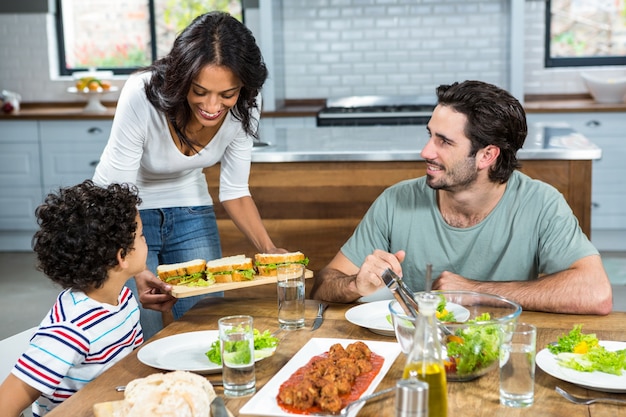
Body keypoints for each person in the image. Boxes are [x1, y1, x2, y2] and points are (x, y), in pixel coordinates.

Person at [310, 80, 613, 315]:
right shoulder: (395, 201)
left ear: (487, 155)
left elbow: (597, 294)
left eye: (444, 142)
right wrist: (355, 285)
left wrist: (475, 292)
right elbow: (323, 285)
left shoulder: (541, 203)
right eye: (430, 135)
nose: (426, 151)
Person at [92, 11, 285, 339]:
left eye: (227, 94)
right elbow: (121, 193)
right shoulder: (142, 93)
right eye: (200, 91)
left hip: (189, 205)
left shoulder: (247, 102)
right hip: (122, 213)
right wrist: (136, 268)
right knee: (143, 327)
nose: (212, 105)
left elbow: (235, 190)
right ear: (182, 80)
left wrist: (268, 249)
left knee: (206, 322)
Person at [0, 180, 145, 416]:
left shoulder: (124, 298)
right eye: (142, 236)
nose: (144, 241)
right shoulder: (70, 330)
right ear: (122, 256)